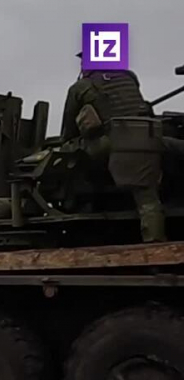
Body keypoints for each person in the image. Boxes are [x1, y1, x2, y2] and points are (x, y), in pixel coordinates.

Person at [59, 52, 166, 243]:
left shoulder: (81, 87)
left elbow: (68, 132)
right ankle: (157, 249)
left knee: (69, 152)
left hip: (114, 144)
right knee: (147, 199)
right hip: (146, 139)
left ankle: (79, 204)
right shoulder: (130, 77)